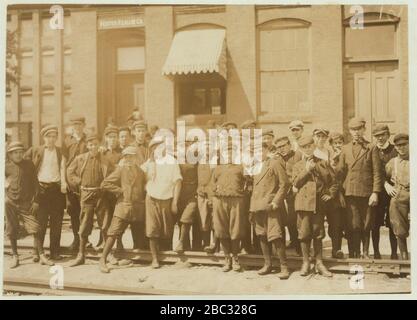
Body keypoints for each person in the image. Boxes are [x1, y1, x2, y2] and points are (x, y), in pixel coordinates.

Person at [337, 117, 383, 259]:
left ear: (364, 130)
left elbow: (377, 172)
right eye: (353, 130)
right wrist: (339, 193)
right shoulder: (345, 149)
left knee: (367, 223)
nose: (356, 132)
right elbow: (340, 173)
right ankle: (354, 252)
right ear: (350, 131)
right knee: (353, 224)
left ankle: (365, 252)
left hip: (367, 193)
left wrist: (375, 192)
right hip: (350, 192)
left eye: (358, 129)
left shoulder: (371, 148)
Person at [5, 142, 54, 268]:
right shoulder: (5, 166)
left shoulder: (29, 164)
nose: (18, 155)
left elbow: (35, 184)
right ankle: (15, 256)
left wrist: (36, 201)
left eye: (20, 152)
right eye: (15, 152)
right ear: (10, 154)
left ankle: (42, 255)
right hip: (10, 203)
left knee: (36, 228)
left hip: (26, 203)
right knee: (11, 230)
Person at [99, 146, 146, 273]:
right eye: (127, 157)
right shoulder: (120, 170)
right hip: (123, 207)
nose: (129, 159)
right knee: (113, 233)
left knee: (140, 234)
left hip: (137, 208)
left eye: (132, 156)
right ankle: (103, 259)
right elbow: (105, 184)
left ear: (136, 158)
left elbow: (144, 187)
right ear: (124, 158)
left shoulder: (141, 172)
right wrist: (120, 191)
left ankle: (137, 258)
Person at [292, 136, 334, 277]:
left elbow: (334, 181)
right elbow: (295, 183)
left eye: (309, 146)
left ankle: (319, 263)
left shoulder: (323, 163)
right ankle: (305, 262)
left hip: (318, 205)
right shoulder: (297, 165)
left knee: (318, 234)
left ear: (314, 146)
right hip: (303, 205)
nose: (307, 149)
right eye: (304, 147)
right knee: (303, 234)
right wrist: (307, 170)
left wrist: (330, 194)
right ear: (300, 149)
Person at [25, 125, 67, 261]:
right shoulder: (36, 150)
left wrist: (63, 183)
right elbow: (24, 165)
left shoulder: (60, 151)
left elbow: (63, 167)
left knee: (56, 223)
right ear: (44, 137)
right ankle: (37, 252)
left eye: (54, 136)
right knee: (40, 223)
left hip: (56, 191)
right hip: (41, 191)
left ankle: (54, 252)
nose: (51, 139)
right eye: (49, 136)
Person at [67, 134, 109, 267]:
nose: (93, 147)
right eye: (91, 144)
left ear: (99, 145)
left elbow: (114, 172)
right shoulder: (80, 159)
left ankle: (107, 255)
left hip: (101, 194)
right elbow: (69, 172)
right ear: (87, 146)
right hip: (86, 193)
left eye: (95, 144)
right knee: (84, 224)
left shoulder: (105, 159)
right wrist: (78, 182)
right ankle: (81, 254)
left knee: (105, 223)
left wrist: (107, 184)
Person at [250, 142, 290, 278]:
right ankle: (267, 264)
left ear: (266, 149)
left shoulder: (274, 163)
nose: (257, 153)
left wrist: (275, 202)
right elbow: (255, 189)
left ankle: (284, 267)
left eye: (260, 149)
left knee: (275, 236)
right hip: (257, 207)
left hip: (271, 206)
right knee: (261, 235)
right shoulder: (254, 167)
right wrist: (252, 208)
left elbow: (284, 184)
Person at [141, 136, 182, 268]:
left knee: (167, 228)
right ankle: (154, 258)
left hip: (166, 199)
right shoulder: (149, 163)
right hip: (151, 199)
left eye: (161, 146)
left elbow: (178, 183)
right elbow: (137, 175)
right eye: (155, 147)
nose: (158, 149)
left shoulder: (172, 161)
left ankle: (167, 256)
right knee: (152, 229)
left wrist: (175, 202)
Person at [212, 142, 248, 272]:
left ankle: (235, 258)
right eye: (226, 152)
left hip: (236, 200)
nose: (229, 154)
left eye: (232, 152)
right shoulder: (217, 168)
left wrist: (241, 194)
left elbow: (248, 183)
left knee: (236, 229)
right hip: (220, 200)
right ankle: (227, 258)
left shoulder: (241, 168)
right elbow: (213, 184)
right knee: (221, 229)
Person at [372, 124, 398, 259]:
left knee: (392, 222)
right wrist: (383, 184)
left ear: (388, 135)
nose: (380, 138)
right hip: (377, 192)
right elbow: (372, 172)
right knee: (375, 223)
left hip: (392, 192)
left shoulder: (395, 150)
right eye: (377, 136)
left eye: (382, 135)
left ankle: (394, 253)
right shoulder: (372, 150)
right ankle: (376, 253)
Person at [62, 116, 88, 252]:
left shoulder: (88, 140)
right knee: (73, 211)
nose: (77, 127)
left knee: (86, 211)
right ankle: (76, 239)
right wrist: (64, 181)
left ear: (84, 125)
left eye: (79, 124)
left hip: (85, 180)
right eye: (74, 124)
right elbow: (63, 161)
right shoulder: (67, 141)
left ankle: (85, 240)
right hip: (71, 181)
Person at [95, 126, 123, 251]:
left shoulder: (120, 153)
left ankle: (119, 243)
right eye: (110, 137)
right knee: (104, 218)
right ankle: (106, 244)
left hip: (115, 191)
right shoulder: (101, 153)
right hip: (103, 192)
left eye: (115, 137)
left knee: (117, 218)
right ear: (106, 139)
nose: (112, 140)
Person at [274, 136, 302, 255]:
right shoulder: (276, 158)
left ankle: (298, 246)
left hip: (295, 191)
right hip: (280, 192)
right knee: (281, 219)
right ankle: (283, 247)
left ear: (289, 145)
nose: (282, 149)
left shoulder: (298, 155)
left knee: (295, 220)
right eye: (279, 147)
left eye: (284, 146)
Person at [385, 134, 409, 260]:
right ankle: (404, 258)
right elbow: (383, 177)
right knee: (399, 228)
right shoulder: (392, 162)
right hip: (400, 195)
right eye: (398, 146)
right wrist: (387, 185)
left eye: (404, 145)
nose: (401, 148)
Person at [175, 137, 199, 253]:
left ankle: (180, 243)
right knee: (181, 221)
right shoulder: (175, 160)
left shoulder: (196, 159)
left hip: (193, 193)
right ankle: (186, 247)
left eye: (187, 145)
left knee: (186, 218)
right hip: (179, 193)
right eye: (182, 146)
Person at [130, 120, 149, 250]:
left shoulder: (150, 147)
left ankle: (148, 247)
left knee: (148, 217)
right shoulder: (130, 148)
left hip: (149, 187)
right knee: (136, 218)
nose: (141, 133)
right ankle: (137, 246)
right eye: (138, 131)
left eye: (143, 130)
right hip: (135, 188)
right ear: (134, 132)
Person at [328, 132, 347, 259]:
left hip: (344, 193)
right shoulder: (329, 157)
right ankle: (335, 249)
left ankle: (338, 249)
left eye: (340, 143)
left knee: (340, 223)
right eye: (335, 143)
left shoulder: (346, 155)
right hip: (331, 195)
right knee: (333, 223)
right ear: (331, 144)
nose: (338, 145)